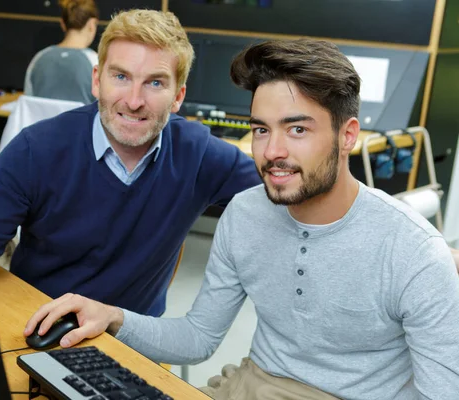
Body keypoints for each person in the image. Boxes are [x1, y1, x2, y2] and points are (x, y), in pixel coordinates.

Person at [23, 39, 459, 399]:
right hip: (251, 386)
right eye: (261, 129)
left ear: (347, 135)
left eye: (298, 130)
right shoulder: (246, 213)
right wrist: (111, 316)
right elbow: (198, 338)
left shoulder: (412, 250)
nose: (272, 151)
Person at [0, 9, 261, 400]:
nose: (134, 100)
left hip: (126, 345)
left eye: (155, 83)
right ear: (96, 80)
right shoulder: (36, 149)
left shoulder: (201, 154)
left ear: (178, 97)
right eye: (120, 76)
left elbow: (290, 188)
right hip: (33, 330)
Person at [23, 0, 99, 103]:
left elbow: (28, 103)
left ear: (62, 24)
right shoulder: (95, 61)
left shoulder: (39, 58)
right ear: (92, 24)